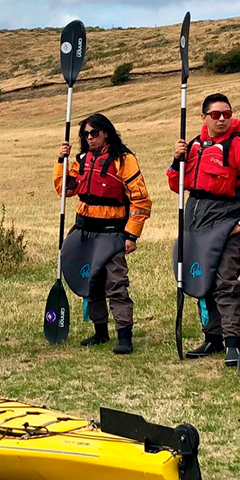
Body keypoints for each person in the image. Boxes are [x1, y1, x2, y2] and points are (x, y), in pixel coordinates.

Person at [167, 94, 240, 366]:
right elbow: (176, 185)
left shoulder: (238, 146)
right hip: (196, 220)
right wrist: (176, 161)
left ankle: (233, 341)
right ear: (204, 117)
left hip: (226, 220)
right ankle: (212, 337)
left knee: (225, 280)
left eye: (226, 114)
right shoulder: (194, 146)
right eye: (216, 114)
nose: (222, 119)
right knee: (201, 277)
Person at [54, 113, 152, 354]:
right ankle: (100, 331)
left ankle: (124, 335)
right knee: (91, 281)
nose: (90, 138)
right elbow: (65, 189)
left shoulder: (124, 160)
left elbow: (140, 199)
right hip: (85, 230)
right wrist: (61, 161)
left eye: (94, 133)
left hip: (112, 232)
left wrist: (132, 234)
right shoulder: (82, 159)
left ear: (106, 133)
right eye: (85, 134)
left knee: (116, 284)